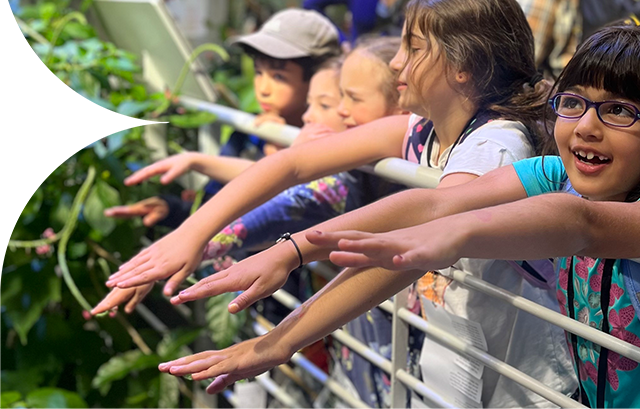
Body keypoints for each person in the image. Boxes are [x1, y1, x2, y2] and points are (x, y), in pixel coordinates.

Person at [159, 22, 640, 408]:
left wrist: (442, 240)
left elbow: (585, 227)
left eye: (620, 110)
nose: (586, 126)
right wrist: (296, 251)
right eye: (574, 102)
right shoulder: (558, 170)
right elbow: (436, 198)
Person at [107, 0, 578, 409]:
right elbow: (294, 163)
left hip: (517, 385)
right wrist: (191, 232)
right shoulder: (424, 130)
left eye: (413, 49)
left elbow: (416, 238)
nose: (396, 62)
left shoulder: (496, 146)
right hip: (457, 356)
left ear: (464, 67)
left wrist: (282, 320)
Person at [91, 38, 405, 315]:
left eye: (344, 100)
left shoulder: (346, 175)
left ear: (402, 104)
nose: (337, 111)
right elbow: (281, 181)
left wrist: (187, 242)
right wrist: (181, 235)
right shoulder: (286, 147)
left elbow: (283, 189)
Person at [103, 9, 342, 229]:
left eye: (278, 76)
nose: (263, 88)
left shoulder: (332, 147)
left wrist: (281, 153)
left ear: (319, 78)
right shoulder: (249, 134)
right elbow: (214, 203)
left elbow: (291, 217)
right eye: (259, 72)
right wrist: (172, 210)